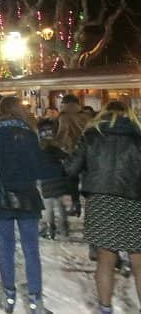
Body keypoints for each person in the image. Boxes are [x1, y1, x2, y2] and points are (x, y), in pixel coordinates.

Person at [64, 101, 141, 314]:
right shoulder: (138, 136)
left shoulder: (91, 136)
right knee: (139, 260)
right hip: (135, 201)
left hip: (101, 202)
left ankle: (105, 309)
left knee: (106, 259)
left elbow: (71, 168)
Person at [0, 97, 49, 314]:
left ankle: (9, 298)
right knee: (31, 250)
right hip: (28, 198)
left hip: (0, 200)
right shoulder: (29, 135)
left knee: (6, 249)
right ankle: (35, 301)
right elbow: (39, 168)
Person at [37, 111, 73, 240]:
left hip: (46, 180)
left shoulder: (39, 149)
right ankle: (64, 229)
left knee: (48, 208)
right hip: (58, 178)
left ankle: (50, 230)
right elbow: (67, 157)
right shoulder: (55, 148)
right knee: (60, 205)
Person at [57, 94, 89, 216]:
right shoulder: (86, 116)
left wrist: (58, 144)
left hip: (71, 152)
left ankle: (76, 205)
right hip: (87, 151)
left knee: (72, 180)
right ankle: (89, 203)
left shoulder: (64, 117)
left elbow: (63, 133)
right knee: (86, 178)